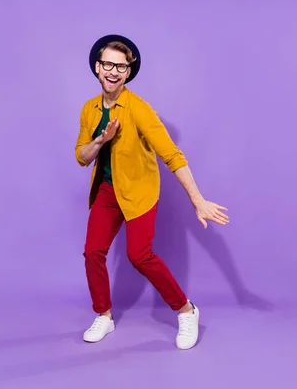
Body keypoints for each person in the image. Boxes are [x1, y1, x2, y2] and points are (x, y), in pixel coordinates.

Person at [74, 34, 230, 350]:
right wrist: (101, 140)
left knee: (139, 255)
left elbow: (173, 156)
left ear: (128, 73)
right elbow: (82, 156)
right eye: (108, 64)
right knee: (93, 252)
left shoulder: (139, 109)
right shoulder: (89, 109)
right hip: (108, 190)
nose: (113, 71)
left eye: (121, 66)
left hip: (141, 191)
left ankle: (187, 310)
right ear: (97, 67)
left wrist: (198, 201)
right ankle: (104, 315)